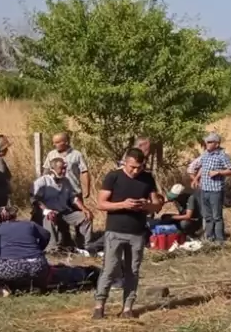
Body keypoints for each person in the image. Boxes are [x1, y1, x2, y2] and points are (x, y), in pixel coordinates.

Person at [93, 147, 163, 320]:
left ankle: (127, 308)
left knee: (133, 270)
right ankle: (99, 306)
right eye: (132, 167)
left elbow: (157, 205)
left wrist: (145, 206)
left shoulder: (147, 179)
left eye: (139, 167)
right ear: (125, 162)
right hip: (115, 231)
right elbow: (101, 204)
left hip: (137, 232)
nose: (135, 170)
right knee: (109, 269)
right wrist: (123, 204)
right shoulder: (113, 177)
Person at [0, 205, 50, 294]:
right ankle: (34, 285)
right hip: (39, 266)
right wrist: (39, 248)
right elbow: (46, 235)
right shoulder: (29, 224)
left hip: (11, 269)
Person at [32, 158, 94, 252]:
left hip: (65, 212)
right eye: (61, 168)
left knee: (85, 216)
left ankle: (85, 247)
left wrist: (84, 209)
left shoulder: (66, 181)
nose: (64, 171)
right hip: (48, 212)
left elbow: (73, 198)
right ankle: (52, 249)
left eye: (65, 168)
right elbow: (35, 199)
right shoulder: (42, 181)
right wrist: (47, 211)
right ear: (53, 169)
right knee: (49, 217)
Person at [194, 133, 231, 245]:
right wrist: (196, 179)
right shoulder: (205, 155)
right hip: (205, 189)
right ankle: (209, 238)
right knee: (207, 216)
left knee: (217, 216)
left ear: (217, 144)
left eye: (210, 142)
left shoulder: (222, 156)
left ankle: (220, 240)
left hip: (216, 190)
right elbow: (202, 168)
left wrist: (219, 172)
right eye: (206, 142)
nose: (207, 144)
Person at [44, 132, 92, 200]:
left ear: (66, 142)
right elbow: (46, 171)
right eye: (54, 142)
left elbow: (84, 172)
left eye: (57, 142)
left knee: (77, 210)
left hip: (74, 192)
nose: (54, 144)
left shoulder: (77, 155)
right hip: (56, 193)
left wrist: (86, 189)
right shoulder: (51, 155)